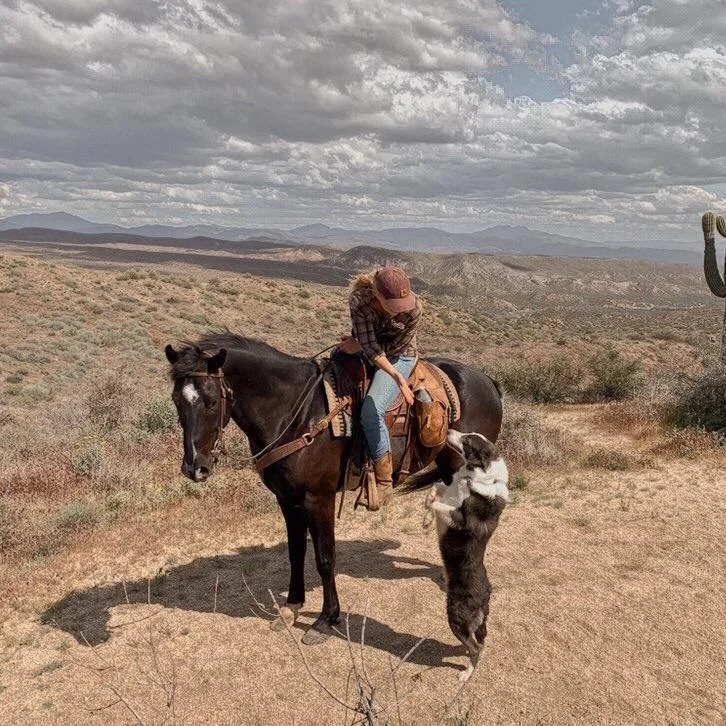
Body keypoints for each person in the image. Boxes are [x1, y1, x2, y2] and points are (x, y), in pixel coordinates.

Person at [338, 266, 423, 506]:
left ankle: (384, 482)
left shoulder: (414, 308)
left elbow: (396, 348)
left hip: (400, 356)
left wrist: (397, 377)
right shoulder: (360, 301)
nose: (400, 309)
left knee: (371, 410)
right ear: (377, 294)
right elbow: (369, 345)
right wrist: (362, 345)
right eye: (394, 304)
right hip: (369, 349)